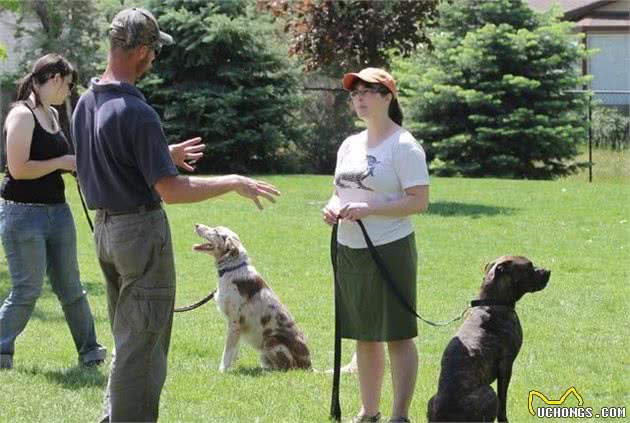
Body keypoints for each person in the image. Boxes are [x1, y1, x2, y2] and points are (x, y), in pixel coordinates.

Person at [71, 7, 281, 422]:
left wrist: (160, 156)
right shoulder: (136, 111)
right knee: (144, 345)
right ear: (142, 51)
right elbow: (172, 190)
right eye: (154, 52)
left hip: (106, 232)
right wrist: (234, 180)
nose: (154, 60)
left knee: (128, 339)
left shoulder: (86, 103)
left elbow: (103, 160)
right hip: (139, 233)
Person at [321, 67, 430, 423]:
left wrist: (372, 209)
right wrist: (333, 206)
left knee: (396, 335)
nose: (359, 98)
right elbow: (341, 190)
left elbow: (418, 201)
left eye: (368, 91)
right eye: (355, 93)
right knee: (364, 335)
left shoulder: (404, 145)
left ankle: (400, 416)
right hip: (350, 249)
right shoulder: (350, 144)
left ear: (388, 97)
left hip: (390, 248)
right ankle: (369, 413)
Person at [0, 54, 107, 370]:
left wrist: (69, 167)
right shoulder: (22, 115)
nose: (70, 93)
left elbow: (48, 163)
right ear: (56, 78)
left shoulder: (51, 114)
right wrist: (61, 163)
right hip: (23, 215)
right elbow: (18, 170)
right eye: (69, 85)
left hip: (57, 213)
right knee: (27, 289)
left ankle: (91, 352)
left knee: (71, 286)